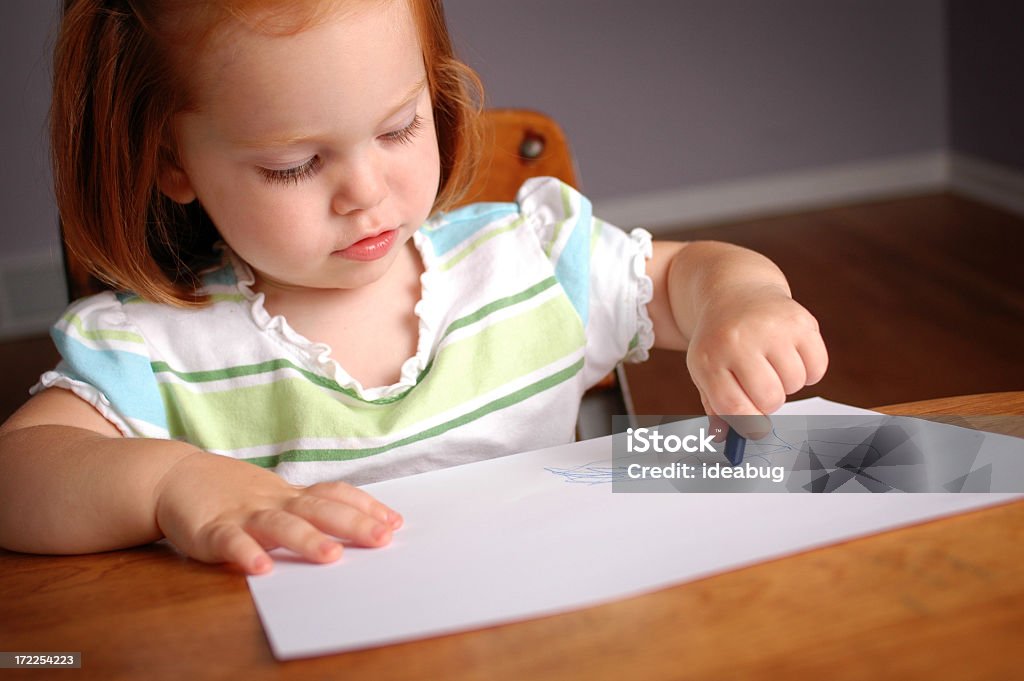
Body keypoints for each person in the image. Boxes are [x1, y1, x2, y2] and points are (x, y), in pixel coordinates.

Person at [0, 0, 827, 575]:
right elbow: (19, 472)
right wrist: (172, 484)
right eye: (295, 164)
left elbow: (686, 272)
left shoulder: (529, 262)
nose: (367, 190)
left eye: (399, 127)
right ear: (174, 161)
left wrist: (736, 302)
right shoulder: (160, 345)